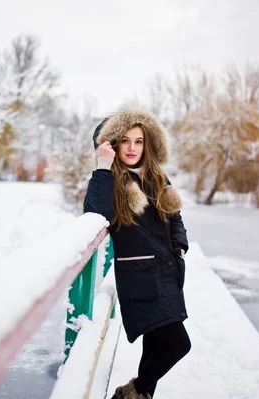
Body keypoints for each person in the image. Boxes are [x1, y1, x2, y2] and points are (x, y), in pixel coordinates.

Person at [83, 106, 191, 399]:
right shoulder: (111, 180)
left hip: (168, 274)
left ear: (148, 143)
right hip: (141, 279)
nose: (132, 148)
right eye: (126, 140)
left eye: (139, 141)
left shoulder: (155, 175)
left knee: (156, 345)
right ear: (113, 143)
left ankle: (141, 394)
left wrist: (178, 246)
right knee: (178, 344)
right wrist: (103, 166)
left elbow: (175, 215)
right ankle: (131, 393)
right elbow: (95, 214)